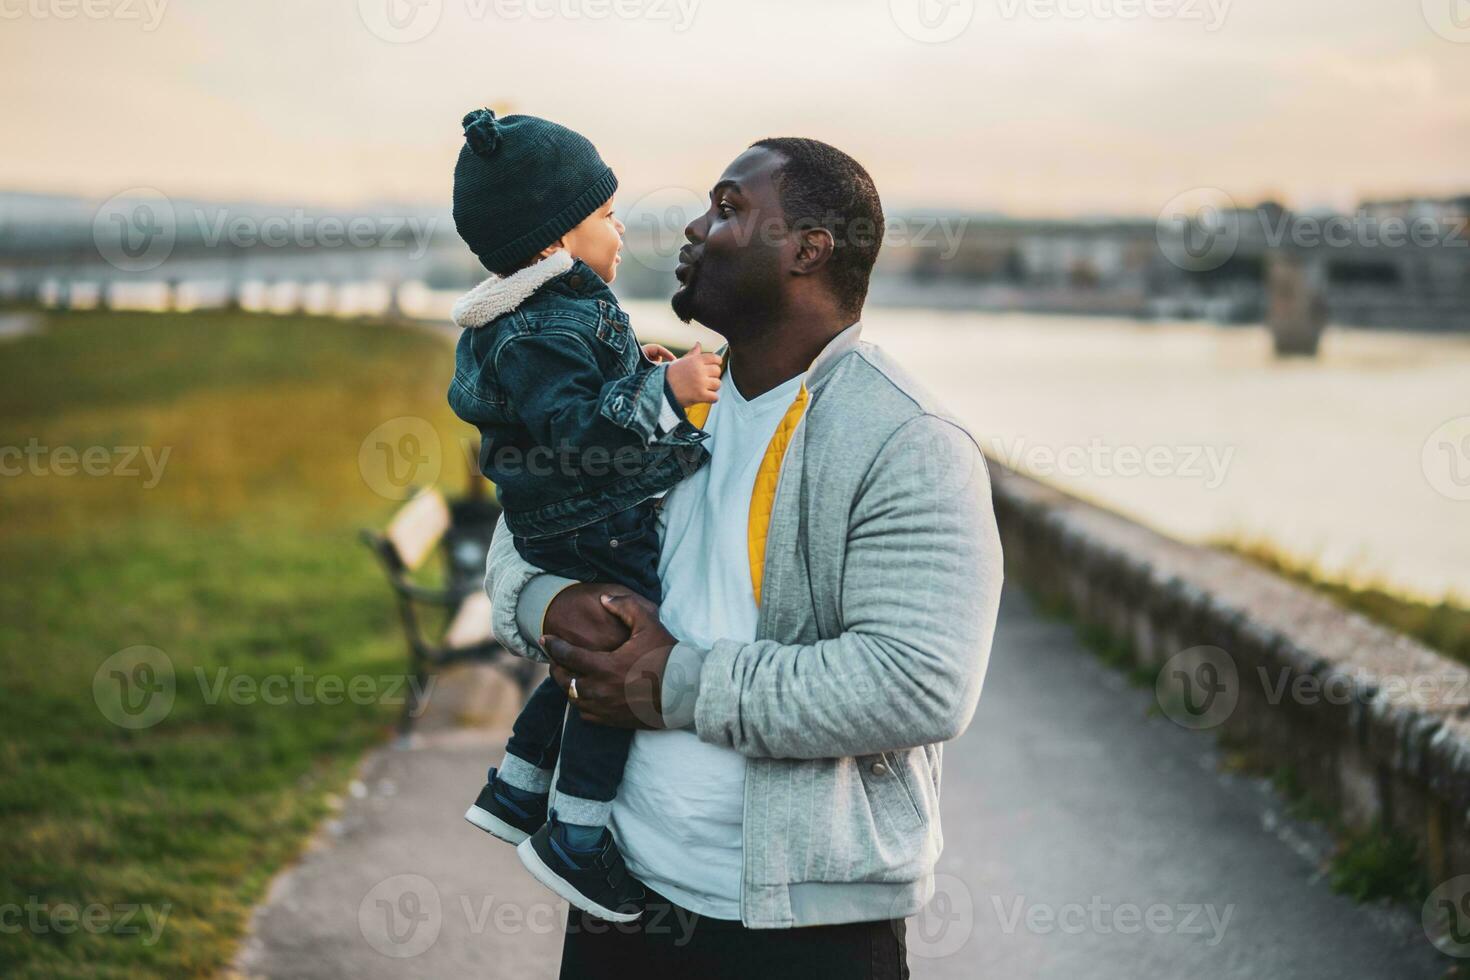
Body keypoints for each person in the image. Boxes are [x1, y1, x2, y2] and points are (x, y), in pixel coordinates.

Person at [484, 136, 1005, 979]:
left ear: (808, 250)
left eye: (728, 209)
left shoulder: (906, 440)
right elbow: (520, 541)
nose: (694, 226)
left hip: (808, 928)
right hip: (621, 895)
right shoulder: (643, 390)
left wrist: (675, 680)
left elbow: (920, 681)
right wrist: (544, 601)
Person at [446, 108, 720, 922]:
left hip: (566, 517)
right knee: (623, 661)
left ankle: (518, 785)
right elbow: (576, 430)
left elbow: (572, 398)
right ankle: (576, 832)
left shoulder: (536, 313)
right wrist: (661, 395)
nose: (620, 225)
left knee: (589, 651)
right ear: (551, 243)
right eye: (603, 213)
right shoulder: (555, 318)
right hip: (593, 515)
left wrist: (638, 370)